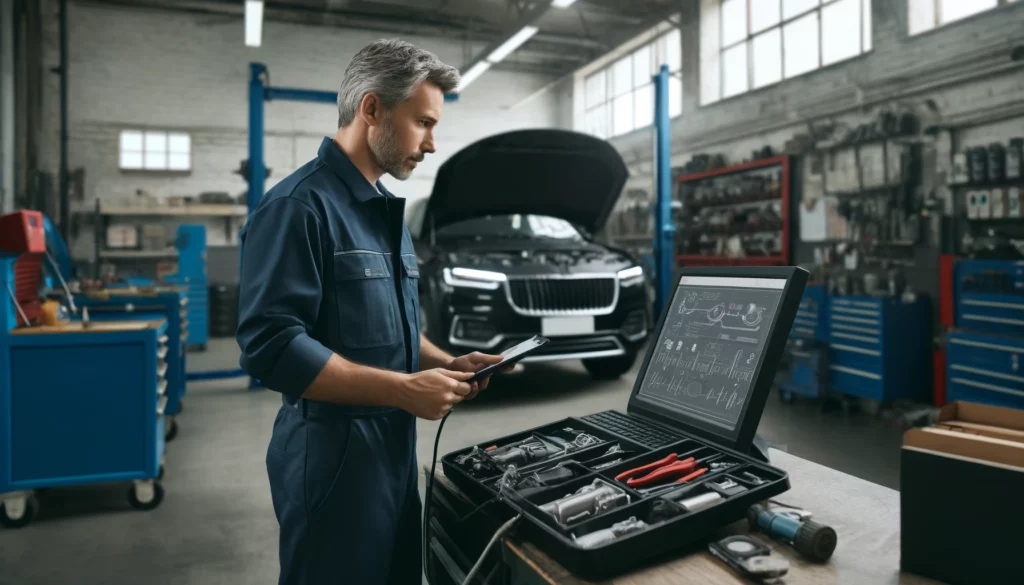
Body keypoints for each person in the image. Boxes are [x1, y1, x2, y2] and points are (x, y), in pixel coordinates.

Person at [236, 39, 504, 585]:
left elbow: (395, 324)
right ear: (372, 109)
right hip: (332, 461)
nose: (431, 145)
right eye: (423, 123)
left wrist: (446, 362)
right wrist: (404, 390)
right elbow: (271, 346)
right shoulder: (297, 208)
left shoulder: (383, 212)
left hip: (393, 455)